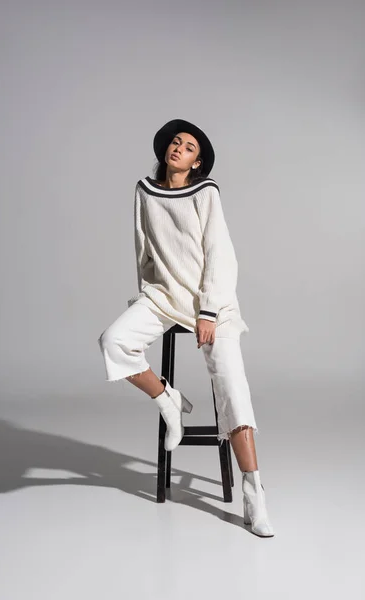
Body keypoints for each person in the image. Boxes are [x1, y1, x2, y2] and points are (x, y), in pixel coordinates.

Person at [98, 118, 275, 537]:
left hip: (211, 303)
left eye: (189, 146)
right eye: (176, 142)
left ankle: (254, 492)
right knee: (114, 341)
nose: (179, 148)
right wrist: (147, 294)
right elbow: (143, 246)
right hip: (163, 297)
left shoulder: (206, 191)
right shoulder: (144, 190)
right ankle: (168, 400)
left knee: (233, 389)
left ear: (197, 163)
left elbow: (220, 253)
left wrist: (210, 310)